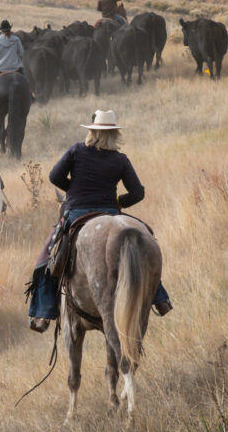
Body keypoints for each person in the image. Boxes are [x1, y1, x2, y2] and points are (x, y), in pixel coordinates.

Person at [27, 110, 172, 333]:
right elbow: (138, 192)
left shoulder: (76, 150)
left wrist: (74, 191)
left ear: (92, 132)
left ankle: (44, 314)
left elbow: (54, 177)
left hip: (77, 211)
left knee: (47, 257)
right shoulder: (120, 159)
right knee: (142, 243)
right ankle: (159, 297)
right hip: (111, 211)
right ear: (114, 134)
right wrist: (118, 202)